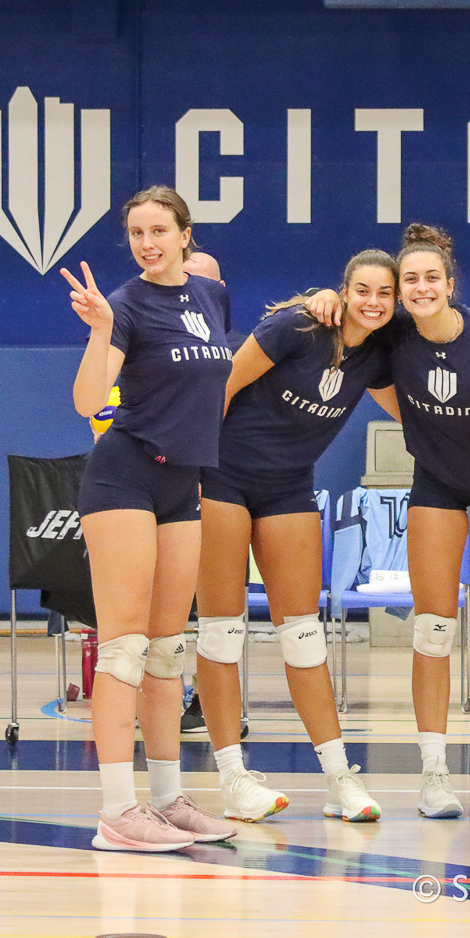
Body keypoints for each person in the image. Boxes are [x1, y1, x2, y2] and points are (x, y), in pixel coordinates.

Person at [306, 223, 470, 818]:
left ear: (451, 284)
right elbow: (348, 319)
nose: (420, 288)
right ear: (400, 291)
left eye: (431, 278)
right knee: (432, 631)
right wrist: (319, 297)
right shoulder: (394, 335)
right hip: (437, 487)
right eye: (410, 281)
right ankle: (434, 777)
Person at [61, 185, 239, 852]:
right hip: (125, 475)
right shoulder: (126, 306)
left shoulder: (210, 295)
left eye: (159, 230)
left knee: (167, 650)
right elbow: (87, 401)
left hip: (182, 482)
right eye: (137, 233)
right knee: (124, 647)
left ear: (185, 235)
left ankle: (168, 800)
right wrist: (99, 330)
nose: (147, 243)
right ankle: (117, 812)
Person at [193, 249, 400, 823]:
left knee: (304, 636)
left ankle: (339, 779)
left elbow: (413, 414)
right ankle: (233, 779)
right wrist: (192, 471)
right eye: (362, 290)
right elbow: (220, 389)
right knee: (221, 633)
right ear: (344, 290)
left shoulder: (378, 354)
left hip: (288, 488)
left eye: (384, 293)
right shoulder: (297, 326)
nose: (373, 302)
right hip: (223, 477)